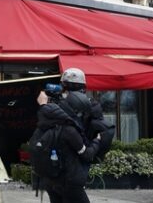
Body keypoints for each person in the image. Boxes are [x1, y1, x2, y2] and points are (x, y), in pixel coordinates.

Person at [34, 67, 102, 203]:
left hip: (51, 179)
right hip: (70, 182)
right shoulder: (70, 127)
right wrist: (97, 141)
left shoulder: (49, 118)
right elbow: (87, 155)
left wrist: (43, 105)